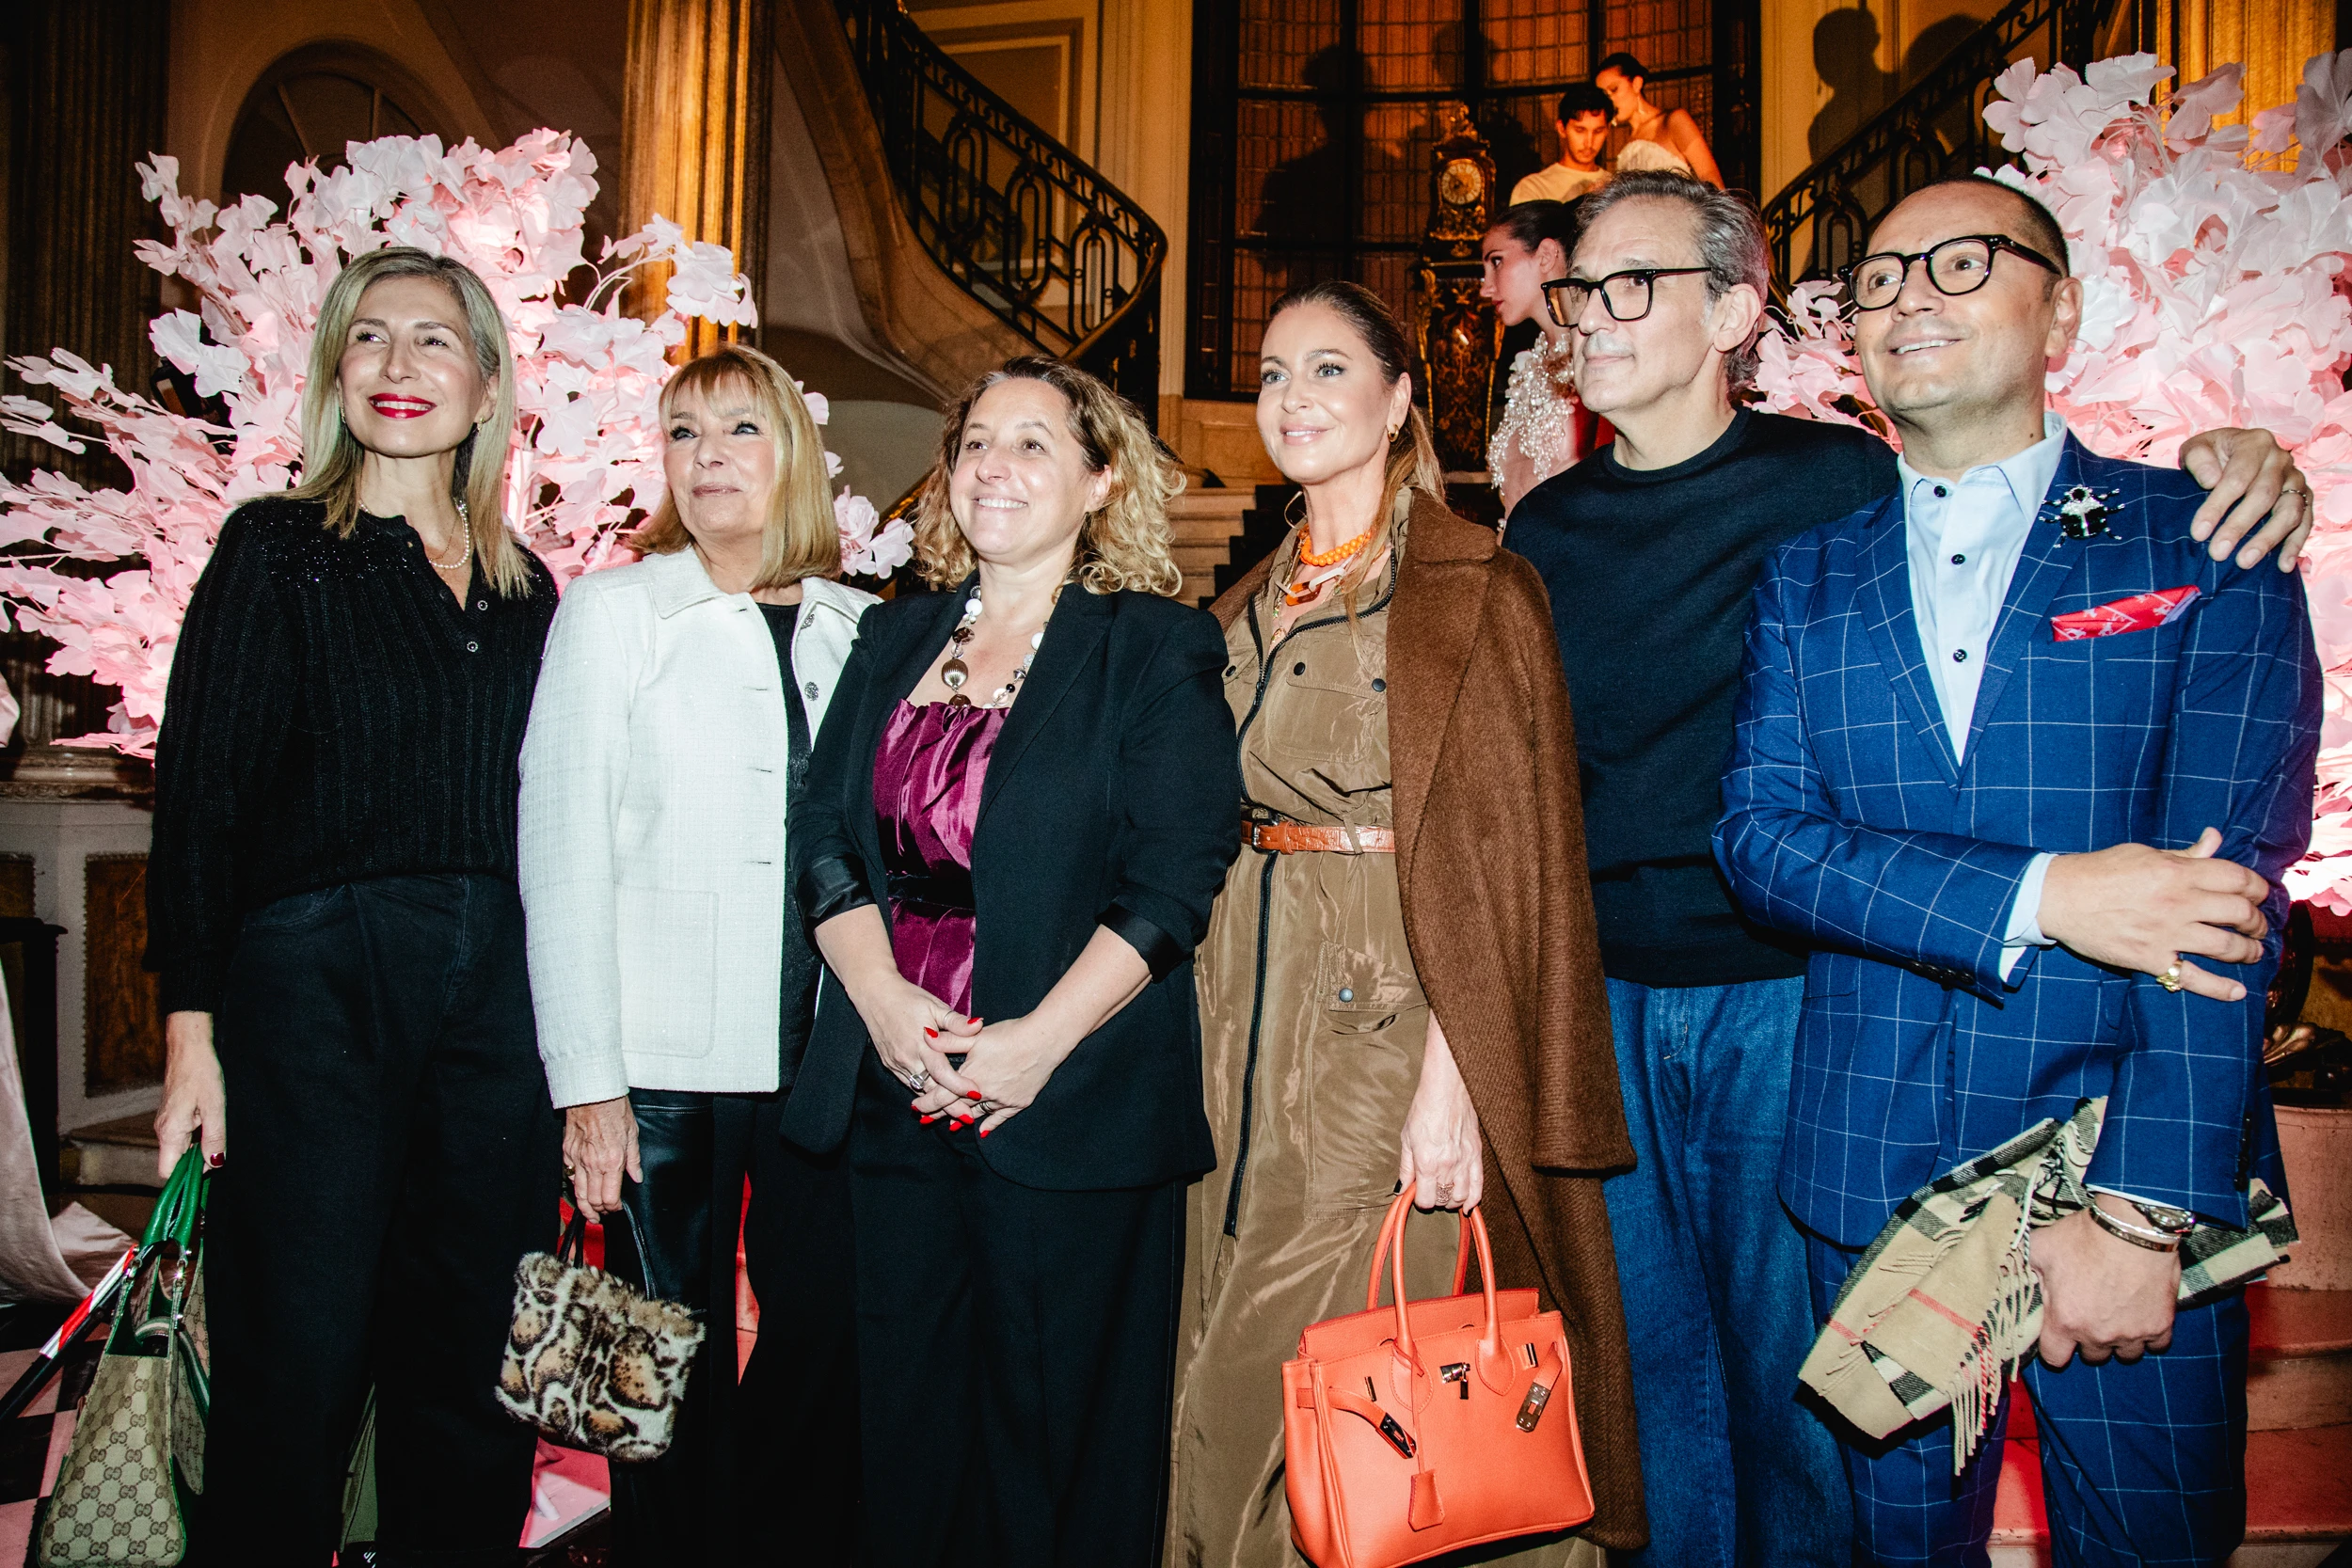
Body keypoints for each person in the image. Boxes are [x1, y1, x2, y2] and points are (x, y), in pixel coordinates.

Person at [1500, 169, 2314, 1568]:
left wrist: (2238, 460)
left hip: (1838, 1025)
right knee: (1680, 1400)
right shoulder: (1651, 544)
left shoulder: (1856, 486)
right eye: (1578, 288)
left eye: (1634, 282)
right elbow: (1698, 822)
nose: (1591, 313)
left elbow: (2221, 894)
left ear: (1737, 311)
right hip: (1720, 1053)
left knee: (2053, 1507)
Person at [1168, 278, 1643, 1568]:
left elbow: (1510, 861)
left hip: (1385, 1015)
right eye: (1271, 372)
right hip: (1234, 1014)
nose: (1291, 397)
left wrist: (1457, 1079)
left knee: (1335, 1350)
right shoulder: (1247, 598)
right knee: (1227, 1331)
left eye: (1329, 370)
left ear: (1396, 402)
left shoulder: (1470, 586)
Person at [781, 356, 1238, 1567]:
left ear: (1099, 479)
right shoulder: (894, 632)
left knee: (1054, 1449)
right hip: (895, 1089)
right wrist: (881, 1005)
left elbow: (1176, 876)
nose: (996, 465)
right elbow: (821, 834)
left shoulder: (1154, 646)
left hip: (1069, 1103)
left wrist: (1032, 1046)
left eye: (1034, 444)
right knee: (908, 1438)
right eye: (978, 440)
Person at [147, 245, 562, 1565]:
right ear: (334, 369)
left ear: (488, 386)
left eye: (433, 341)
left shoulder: (528, 587)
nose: (397, 367)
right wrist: (190, 1033)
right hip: (315, 983)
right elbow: (200, 797)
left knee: (475, 1353)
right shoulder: (278, 550)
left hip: (500, 996)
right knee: (301, 1349)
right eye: (369, 337)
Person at [517, 343, 874, 1565]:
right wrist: (586, 1082)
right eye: (684, 433)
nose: (709, 457)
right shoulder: (616, 613)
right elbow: (558, 850)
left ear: (793, 457)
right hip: (657, 1061)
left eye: (739, 430)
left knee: (828, 1330)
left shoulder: (862, 627)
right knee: (650, 1360)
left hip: (827, 1054)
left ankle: (769, 1538)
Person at [1482, 199, 1599, 515]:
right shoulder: (1529, 366)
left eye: (1496, 262)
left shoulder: (1597, 356)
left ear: (1545, 255)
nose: (1485, 288)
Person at [1594, 53, 1724, 186]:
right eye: (1604, 96)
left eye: (1614, 90)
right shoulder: (1627, 147)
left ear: (1636, 83)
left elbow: (1710, 176)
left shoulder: (1674, 121)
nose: (1610, 100)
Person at [1511, 83, 1613, 206]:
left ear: (1607, 129)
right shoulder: (1533, 188)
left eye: (1598, 131)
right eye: (1580, 130)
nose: (1589, 142)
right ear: (1561, 128)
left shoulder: (1615, 186)